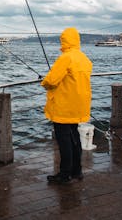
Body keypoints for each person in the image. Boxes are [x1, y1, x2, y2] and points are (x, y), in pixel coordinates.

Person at [41, 27, 93, 184]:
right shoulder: (84, 58)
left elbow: (51, 81)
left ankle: (64, 175)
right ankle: (77, 171)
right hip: (78, 106)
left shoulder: (66, 58)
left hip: (64, 107)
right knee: (74, 138)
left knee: (64, 141)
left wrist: (43, 82)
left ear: (64, 40)